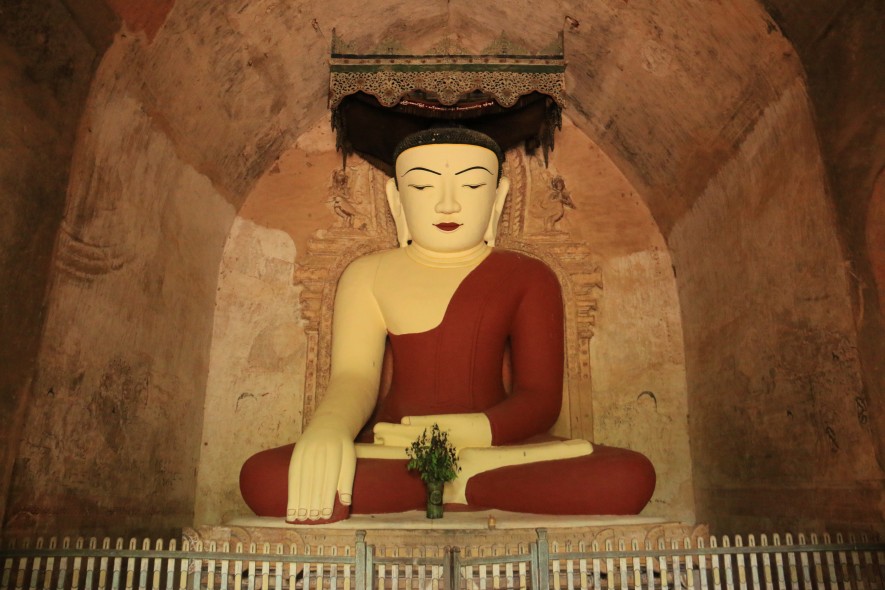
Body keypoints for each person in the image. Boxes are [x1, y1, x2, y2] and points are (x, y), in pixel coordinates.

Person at [240, 128, 655, 523]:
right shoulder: (367, 274)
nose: (447, 205)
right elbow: (354, 378)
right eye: (423, 187)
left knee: (627, 476)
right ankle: (465, 486)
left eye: (472, 186)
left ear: (497, 198)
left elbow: (540, 400)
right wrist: (328, 430)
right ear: (397, 200)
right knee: (265, 477)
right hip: (396, 449)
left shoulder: (528, 275)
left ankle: (453, 484)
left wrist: (465, 433)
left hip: (496, 449)